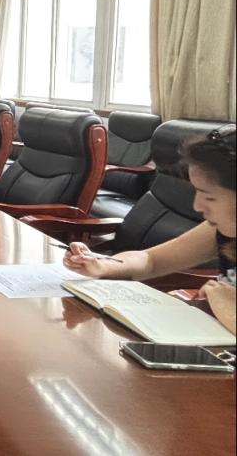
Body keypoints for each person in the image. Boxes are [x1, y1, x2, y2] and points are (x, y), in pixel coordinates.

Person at [64, 125, 236, 334]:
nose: (197, 206)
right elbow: (152, 260)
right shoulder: (219, 229)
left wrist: (226, 305)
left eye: (210, 197)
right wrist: (103, 264)